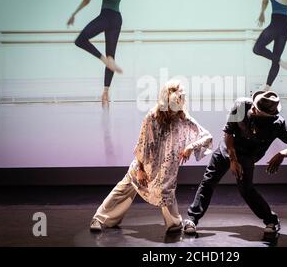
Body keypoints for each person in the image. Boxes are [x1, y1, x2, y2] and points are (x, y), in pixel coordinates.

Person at [90, 79, 213, 233]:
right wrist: (141, 169)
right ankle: (100, 218)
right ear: (169, 99)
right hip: (145, 168)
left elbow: (206, 136)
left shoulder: (182, 118)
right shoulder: (152, 117)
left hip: (165, 172)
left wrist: (190, 146)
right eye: (178, 97)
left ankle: (174, 224)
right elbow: (142, 144)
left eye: (183, 97)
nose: (182, 101)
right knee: (124, 189)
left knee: (166, 193)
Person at [67, 0, 182, 103]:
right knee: (112, 56)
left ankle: (104, 60)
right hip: (117, 19)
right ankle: (106, 92)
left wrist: (74, 13)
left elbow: (87, 0)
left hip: (106, 16)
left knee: (81, 40)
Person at [183, 90, 287, 235]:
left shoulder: (277, 124)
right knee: (208, 181)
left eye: (256, 110)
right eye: (254, 105)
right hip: (227, 149)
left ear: (268, 115)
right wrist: (233, 159)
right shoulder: (241, 105)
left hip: (247, 157)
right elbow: (228, 132)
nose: (252, 109)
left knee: (246, 190)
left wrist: (282, 154)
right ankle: (192, 219)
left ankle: (271, 220)